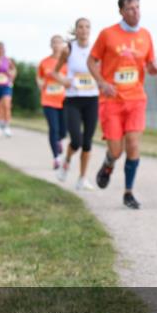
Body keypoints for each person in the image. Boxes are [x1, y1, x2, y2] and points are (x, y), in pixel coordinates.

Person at [89, 0, 157, 209]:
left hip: (136, 99)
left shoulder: (146, 35)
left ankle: (128, 192)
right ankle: (109, 162)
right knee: (116, 150)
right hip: (111, 100)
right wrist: (101, 82)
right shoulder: (107, 35)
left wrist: (154, 68)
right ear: (121, 11)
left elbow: (149, 64)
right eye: (130, 8)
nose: (135, 12)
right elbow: (92, 61)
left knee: (133, 144)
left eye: (137, 7)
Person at [51, 18, 100, 191]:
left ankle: (82, 178)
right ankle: (66, 162)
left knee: (87, 142)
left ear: (90, 30)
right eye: (81, 27)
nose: (84, 30)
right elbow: (54, 72)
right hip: (73, 100)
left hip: (92, 99)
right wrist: (63, 80)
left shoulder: (96, 50)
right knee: (76, 140)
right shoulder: (68, 49)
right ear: (76, 30)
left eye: (87, 27)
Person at [37, 35, 68, 168]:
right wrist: (40, 84)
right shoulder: (44, 62)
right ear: (51, 45)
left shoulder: (67, 62)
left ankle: (59, 141)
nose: (56, 45)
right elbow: (39, 77)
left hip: (65, 100)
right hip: (48, 100)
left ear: (63, 45)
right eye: (54, 43)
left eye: (59, 43)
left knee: (63, 131)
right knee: (53, 128)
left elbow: (70, 79)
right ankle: (56, 157)